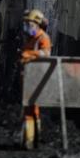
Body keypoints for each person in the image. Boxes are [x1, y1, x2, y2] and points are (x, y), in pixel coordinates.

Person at [20, 9, 52, 150]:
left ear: (37, 24)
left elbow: (46, 53)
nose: (27, 26)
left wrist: (29, 54)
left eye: (29, 23)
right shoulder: (32, 39)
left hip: (37, 79)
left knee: (33, 110)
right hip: (29, 78)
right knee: (28, 110)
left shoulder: (42, 38)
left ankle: (32, 140)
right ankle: (29, 140)